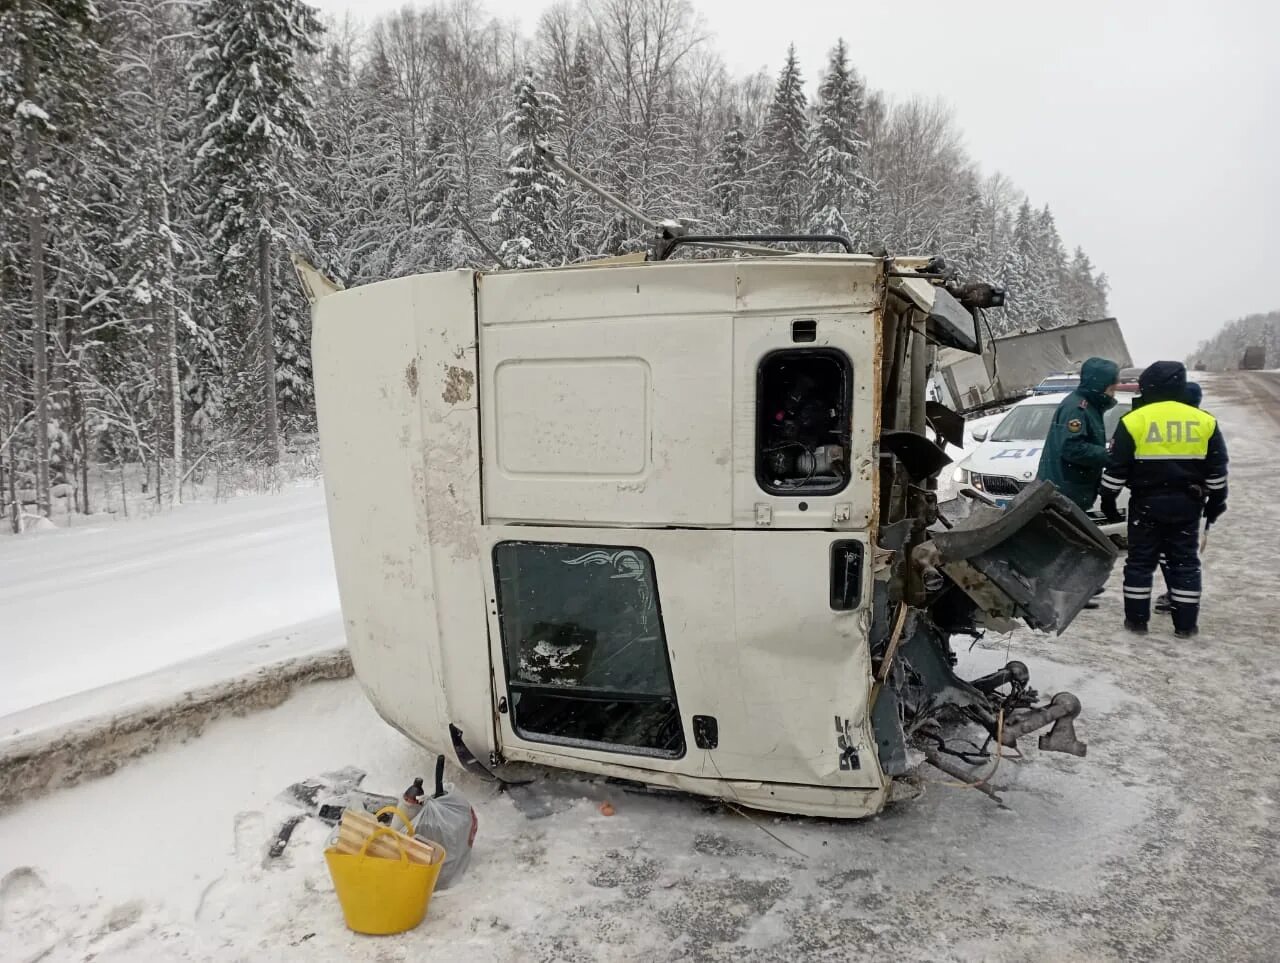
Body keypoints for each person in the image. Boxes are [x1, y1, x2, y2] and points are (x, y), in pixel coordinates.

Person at [1101, 364, 1228, 639]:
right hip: (1187, 505)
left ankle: (1136, 623)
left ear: (1148, 386)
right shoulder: (1204, 421)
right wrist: (1216, 502)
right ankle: (1185, 625)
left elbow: (1116, 469)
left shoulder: (1134, 420)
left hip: (1146, 505)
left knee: (1139, 563)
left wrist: (1108, 500)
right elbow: (1217, 471)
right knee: (1184, 563)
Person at [1035, 357, 1121, 511]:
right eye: (1111, 390)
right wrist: (1108, 455)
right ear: (1099, 387)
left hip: (1070, 488)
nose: (1113, 395)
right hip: (1065, 490)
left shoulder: (1089, 406)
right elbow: (1072, 447)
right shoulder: (1077, 408)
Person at [1154, 380, 1203, 613]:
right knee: (1184, 552)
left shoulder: (1168, 426)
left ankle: (1176, 594)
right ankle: (1184, 597)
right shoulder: (1205, 424)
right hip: (1192, 500)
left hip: (1164, 498)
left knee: (1168, 551)